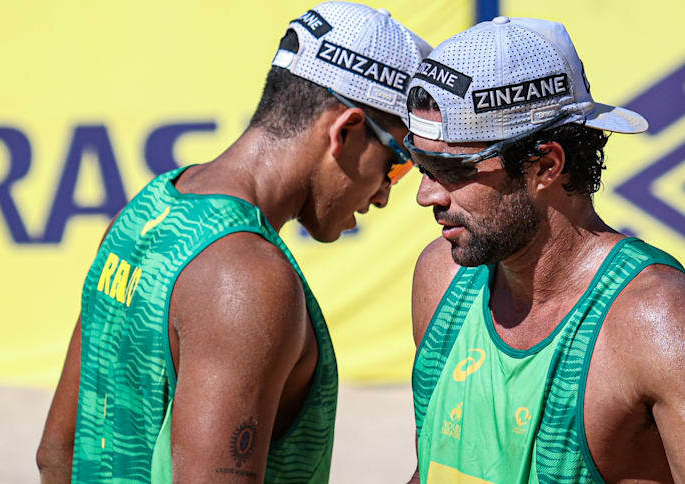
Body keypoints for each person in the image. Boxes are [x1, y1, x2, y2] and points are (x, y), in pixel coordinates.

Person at [36, 3, 431, 482]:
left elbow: (56, 453)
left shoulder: (141, 214)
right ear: (344, 132)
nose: (386, 195)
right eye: (398, 164)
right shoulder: (246, 279)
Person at [405, 16, 685, 484]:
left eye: (451, 169)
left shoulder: (657, 320)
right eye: (420, 165)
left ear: (546, 166)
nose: (426, 195)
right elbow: (431, 468)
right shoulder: (441, 277)